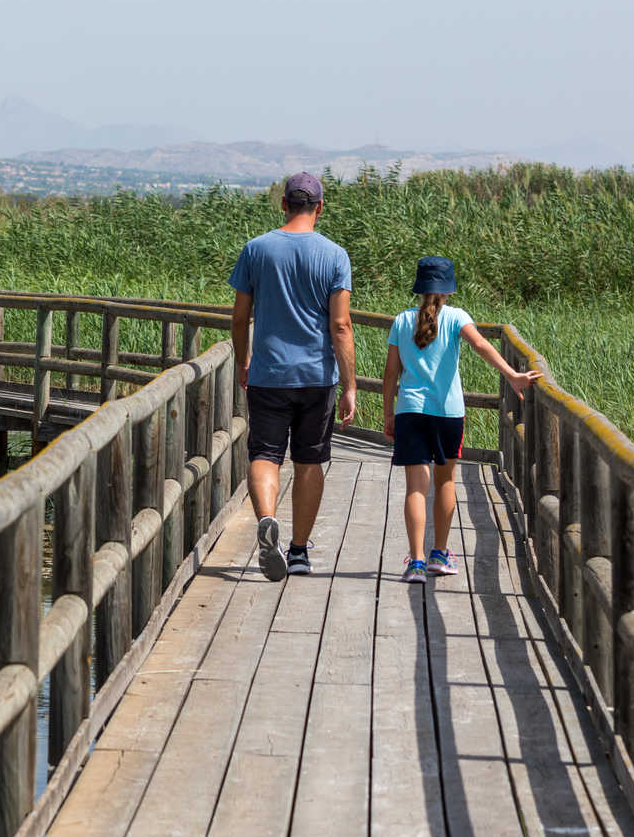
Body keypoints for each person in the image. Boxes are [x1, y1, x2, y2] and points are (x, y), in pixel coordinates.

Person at [382, 255, 540, 583]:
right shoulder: (456, 317)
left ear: (420, 288)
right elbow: (481, 344)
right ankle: (440, 553)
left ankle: (416, 562)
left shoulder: (402, 320)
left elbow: (390, 374)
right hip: (448, 413)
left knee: (415, 487)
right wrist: (513, 375)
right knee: (445, 482)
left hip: (410, 411)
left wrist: (388, 413)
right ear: (449, 290)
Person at [229, 172, 356, 581]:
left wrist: (242, 361)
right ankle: (299, 551)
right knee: (310, 461)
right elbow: (341, 326)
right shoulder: (335, 256)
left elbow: (239, 317)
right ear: (319, 207)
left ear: (283, 204)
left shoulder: (256, 250)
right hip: (317, 378)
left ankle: (267, 519)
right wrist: (350, 384)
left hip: (268, 374)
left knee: (265, 455)